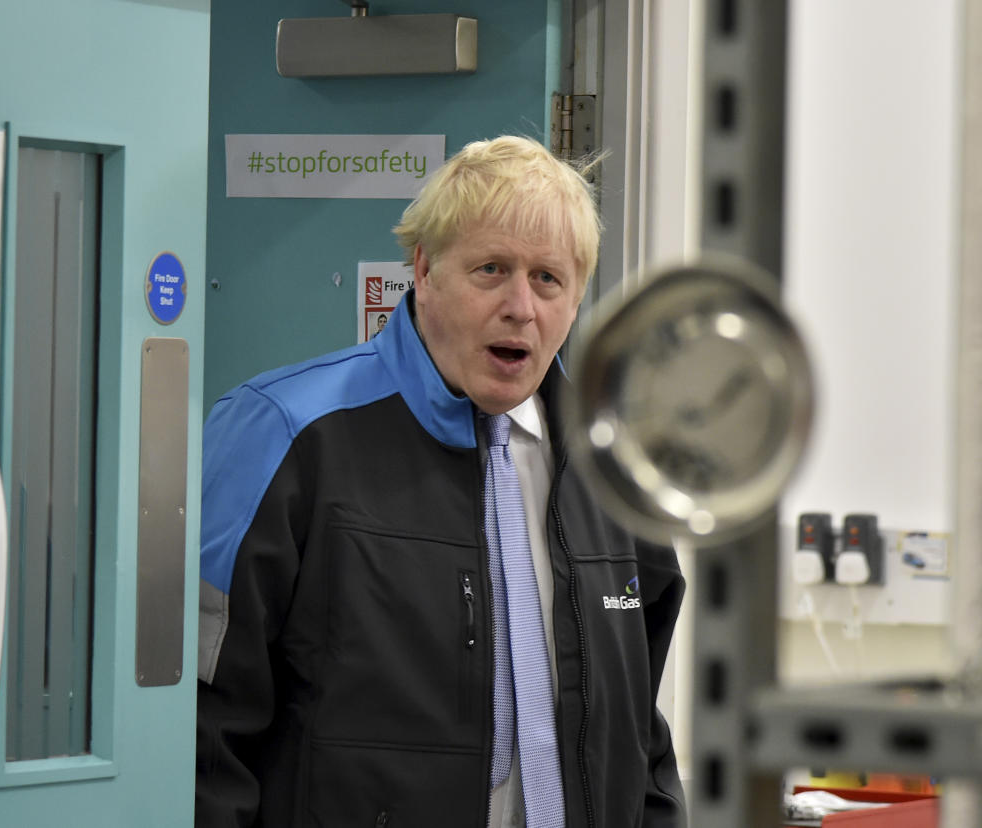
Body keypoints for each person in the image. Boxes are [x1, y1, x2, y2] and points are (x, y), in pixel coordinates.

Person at [196, 135, 686, 828]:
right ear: (424, 271)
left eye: (548, 278)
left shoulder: (615, 466)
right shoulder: (286, 433)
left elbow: (639, 732)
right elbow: (203, 725)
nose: (522, 306)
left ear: (576, 299)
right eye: (492, 269)